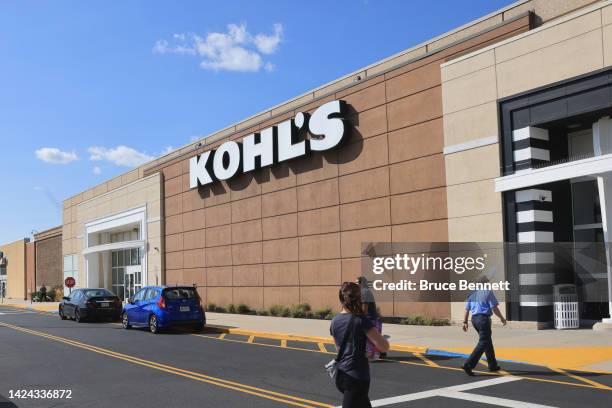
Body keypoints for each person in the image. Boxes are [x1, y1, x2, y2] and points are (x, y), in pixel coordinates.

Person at [330, 282, 389, 408]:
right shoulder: (361, 320)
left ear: (341, 299)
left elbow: (339, 348)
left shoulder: (334, 321)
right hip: (357, 378)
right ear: (359, 299)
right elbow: (384, 347)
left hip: (342, 376)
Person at [462, 282, 507, 376]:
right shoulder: (488, 292)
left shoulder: (472, 293)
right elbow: (494, 308)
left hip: (474, 320)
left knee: (487, 341)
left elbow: (467, 309)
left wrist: (465, 322)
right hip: (483, 320)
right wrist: (502, 318)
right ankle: (468, 364)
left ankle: (492, 365)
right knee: (483, 342)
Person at [356, 277, 385, 360]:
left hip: (370, 319)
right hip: (371, 319)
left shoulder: (365, 292)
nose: (356, 284)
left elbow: (364, 310)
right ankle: (381, 353)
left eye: (357, 282)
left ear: (362, 283)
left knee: (370, 339)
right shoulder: (364, 292)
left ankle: (375, 354)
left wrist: (356, 317)